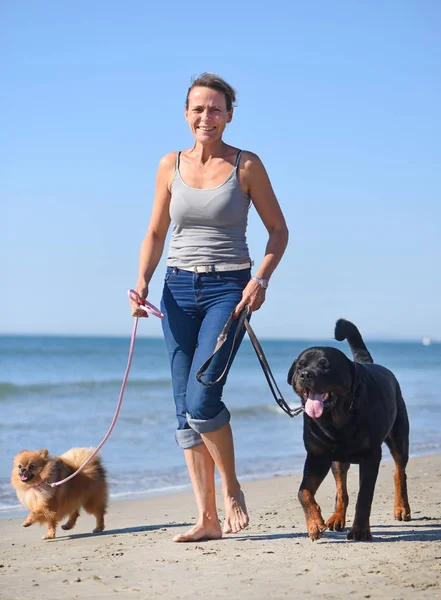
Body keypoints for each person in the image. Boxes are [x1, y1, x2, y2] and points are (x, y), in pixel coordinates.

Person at [129, 73, 288, 542]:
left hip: (228, 290)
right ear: (186, 113)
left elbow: (279, 231)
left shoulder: (247, 165)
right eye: (198, 108)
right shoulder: (169, 165)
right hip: (176, 290)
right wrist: (141, 279)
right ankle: (207, 520)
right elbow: (156, 233)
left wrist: (260, 279)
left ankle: (232, 486)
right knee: (183, 410)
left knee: (202, 400)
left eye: (215, 109)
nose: (206, 116)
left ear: (229, 115)